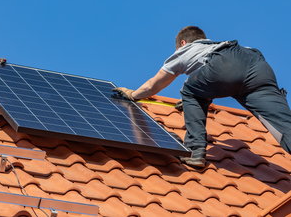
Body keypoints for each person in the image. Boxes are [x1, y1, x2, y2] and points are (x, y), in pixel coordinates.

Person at [114, 26, 291, 168]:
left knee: (189, 91)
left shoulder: (185, 50)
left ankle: (195, 152)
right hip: (258, 65)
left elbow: (155, 84)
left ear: (182, 42)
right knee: (281, 124)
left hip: (225, 67)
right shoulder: (217, 45)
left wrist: (133, 94)